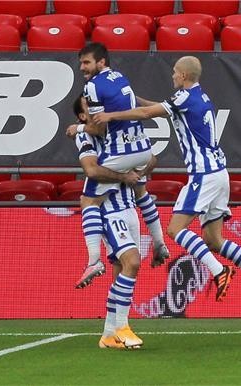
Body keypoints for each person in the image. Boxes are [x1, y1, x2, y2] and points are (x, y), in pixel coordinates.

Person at [92, 56, 241, 308]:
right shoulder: (199, 97)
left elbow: (149, 113)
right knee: (214, 240)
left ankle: (218, 272)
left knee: (175, 229)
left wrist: (111, 115)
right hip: (220, 174)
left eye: (174, 72)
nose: (172, 75)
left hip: (203, 175)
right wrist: (130, 100)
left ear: (183, 76)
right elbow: (158, 107)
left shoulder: (184, 97)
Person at [70, 43, 169, 289]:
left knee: (88, 201)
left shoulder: (92, 87)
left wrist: (79, 127)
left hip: (121, 167)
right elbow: (138, 104)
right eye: (81, 63)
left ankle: (93, 260)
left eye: (86, 63)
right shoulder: (120, 78)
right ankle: (159, 242)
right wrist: (166, 109)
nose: (82, 67)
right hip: (142, 151)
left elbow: (98, 129)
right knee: (141, 189)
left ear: (101, 62)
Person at [71, 96, 145, 349]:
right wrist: (124, 175)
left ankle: (108, 334)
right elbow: (91, 171)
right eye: (89, 109)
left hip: (128, 206)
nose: (96, 111)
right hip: (109, 209)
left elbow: (151, 160)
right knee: (131, 263)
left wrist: (138, 170)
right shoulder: (86, 136)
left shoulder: (117, 128)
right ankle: (122, 327)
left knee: (122, 272)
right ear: (83, 117)